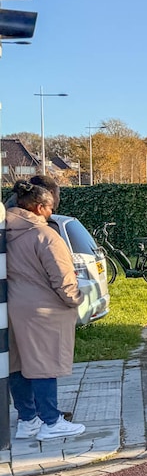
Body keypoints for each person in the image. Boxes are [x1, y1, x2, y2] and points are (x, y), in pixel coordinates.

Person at [6, 180, 87, 440]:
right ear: (40, 208)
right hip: (44, 309)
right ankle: (51, 422)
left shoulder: (5, 230)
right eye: (50, 209)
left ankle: (27, 419)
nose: (52, 213)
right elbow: (63, 281)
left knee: (17, 365)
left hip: (12, 307)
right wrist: (76, 299)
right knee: (43, 365)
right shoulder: (45, 236)